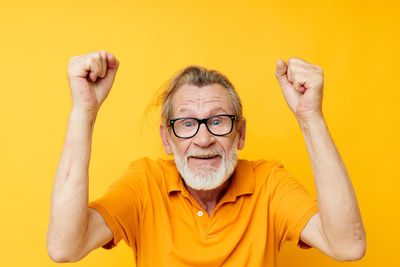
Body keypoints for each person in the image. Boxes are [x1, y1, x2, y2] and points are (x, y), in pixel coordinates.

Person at [47, 51, 366, 266]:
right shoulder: (145, 183)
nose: (203, 138)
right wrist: (83, 112)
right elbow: (64, 248)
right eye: (186, 123)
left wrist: (311, 118)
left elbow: (348, 247)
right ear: (166, 139)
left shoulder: (269, 184)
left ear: (239, 134)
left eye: (217, 121)